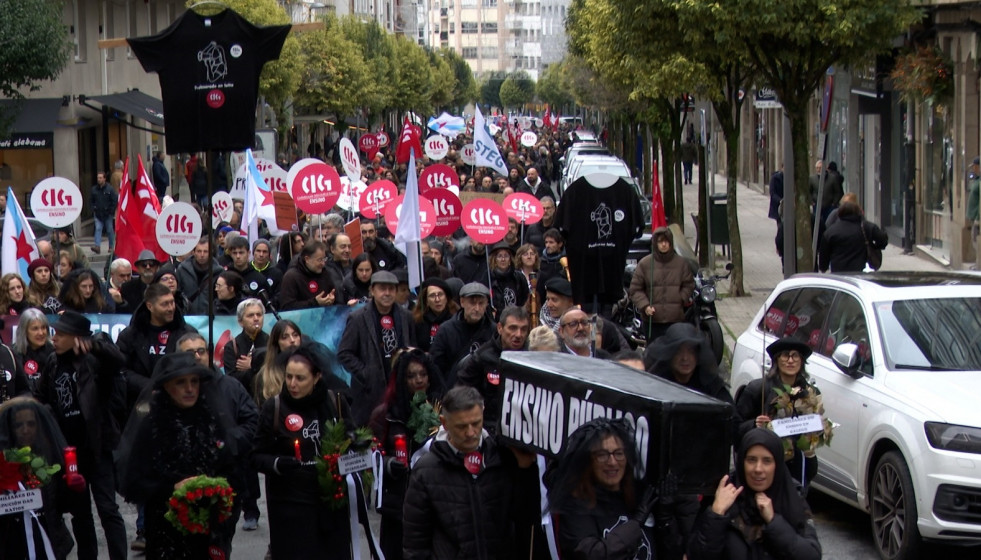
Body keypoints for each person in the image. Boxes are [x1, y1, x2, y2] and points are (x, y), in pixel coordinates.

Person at [116, 352, 239, 560]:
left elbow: (230, 468)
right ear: (167, 386)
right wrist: (171, 487)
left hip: (207, 527)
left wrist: (214, 490)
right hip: (165, 528)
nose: (190, 389)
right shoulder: (151, 425)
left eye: (194, 381)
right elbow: (134, 482)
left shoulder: (212, 420)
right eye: (181, 382)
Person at [35, 311, 129, 560]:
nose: (54, 338)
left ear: (77, 338)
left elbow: (118, 361)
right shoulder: (53, 362)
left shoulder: (94, 361)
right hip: (69, 451)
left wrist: (95, 347)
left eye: (61, 334)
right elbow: (41, 396)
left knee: (108, 509)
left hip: (97, 446)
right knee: (80, 513)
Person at [403, 386, 531, 559]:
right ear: (445, 423)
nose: (470, 433)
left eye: (476, 423)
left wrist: (526, 470)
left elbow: (526, 518)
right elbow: (415, 542)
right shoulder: (426, 471)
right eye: (461, 426)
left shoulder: (501, 459)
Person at [253, 344, 354, 559]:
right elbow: (256, 455)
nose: (292, 384)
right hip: (290, 508)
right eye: (288, 377)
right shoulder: (274, 407)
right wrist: (278, 463)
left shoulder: (335, 402)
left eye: (300, 378)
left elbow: (352, 438)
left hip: (330, 506)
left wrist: (355, 444)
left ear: (316, 377)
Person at [687, 429, 822, 560]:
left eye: (767, 461)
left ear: (777, 465)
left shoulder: (791, 497)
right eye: (751, 460)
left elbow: (811, 555)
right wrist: (716, 514)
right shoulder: (723, 495)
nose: (758, 469)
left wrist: (773, 521)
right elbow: (696, 555)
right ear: (742, 462)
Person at [177, 332, 261, 534]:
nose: (197, 356)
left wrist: (229, 441)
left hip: (227, 480)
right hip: (184, 483)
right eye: (190, 353)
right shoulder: (170, 389)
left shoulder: (230, 386)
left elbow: (252, 421)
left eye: (201, 351)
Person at [544, 418, 657, 560]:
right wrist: (635, 525)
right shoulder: (574, 506)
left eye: (619, 453)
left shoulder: (638, 498)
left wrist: (667, 516)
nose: (612, 462)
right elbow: (590, 555)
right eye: (602, 455)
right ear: (588, 461)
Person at [368, 348, 444, 560]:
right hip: (397, 506)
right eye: (411, 376)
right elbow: (369, 454)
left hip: (432, 505)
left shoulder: (441, 412)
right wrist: (388, 462)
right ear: (402, 379)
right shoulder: (384, 414)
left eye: (423, 374)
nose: (418, 380)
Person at [735, 338, 827, 491]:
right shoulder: (758, 389)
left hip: (797, 467)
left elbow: (816, 430)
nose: (790, 360)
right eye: (785, 355)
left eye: (795, 356)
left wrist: (816, 434)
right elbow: (734, 430)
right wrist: (754, 425)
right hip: (765, 468)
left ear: (801, 361)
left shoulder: (811, 393)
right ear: (777, 359)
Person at [0, 397, 76, 560]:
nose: (25, 430)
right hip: (10, 545)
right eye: (18, 425)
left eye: (31, 424)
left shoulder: (49, 458)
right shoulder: (2, 460)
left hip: (48, 541)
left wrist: (74, 488)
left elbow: (65, 506)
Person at [338, 271, 415, 425]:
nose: (387, 293)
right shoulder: (358, 318)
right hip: (369, 395)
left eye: (391, 289)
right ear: (372, 290)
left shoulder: (405, 316)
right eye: (382, 288)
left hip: (401, 391)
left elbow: (413, 346)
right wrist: (366, 373)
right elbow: (344, 353)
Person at [116, 282, 197, 405]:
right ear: (150, 306)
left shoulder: (187, 333)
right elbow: (121, 369)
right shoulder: (130, 335)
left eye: (172, 302)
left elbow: (197, 366)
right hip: (139, 403)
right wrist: (148, 386)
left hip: (177, 402)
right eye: (165, 304)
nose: (171, 308)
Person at [456, 305, 531, 435]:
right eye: (513, 328)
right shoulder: (482, 357)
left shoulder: (533, 357)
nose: (518, 334)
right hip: (489, 430)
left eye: (523, 329)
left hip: (523, 430)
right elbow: (462, 394)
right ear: (500, 328)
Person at [629, 226, 695, 343]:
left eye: (666, 241)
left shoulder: (681, 263)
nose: (664, 244)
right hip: (653, 320)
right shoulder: (645, 264)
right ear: (655, 243)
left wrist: (680, 298)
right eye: (660, 241)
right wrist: (645, 306)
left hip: (675, 319)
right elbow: (635, 289)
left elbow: (689, 284)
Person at [428, 282, 496, 386]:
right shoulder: (446, 330)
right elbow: (436, 367)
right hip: (455, 390)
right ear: (462, 302)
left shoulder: (493, 331)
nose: (477, 308)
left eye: (481, 303)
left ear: (487, 304)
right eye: (472, 303)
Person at [818, 200, 888, 273]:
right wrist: (874, 246)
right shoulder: (867, 227)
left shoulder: (830, 232)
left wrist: (823, 267)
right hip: (861, 271)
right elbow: (883, 239)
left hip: (838, 273)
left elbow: (823, 257)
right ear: (858, 212)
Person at [253, 319, 302, 407]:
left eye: (295, 335)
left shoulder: (312, 367)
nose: (292, 340)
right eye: (284, 337)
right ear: (276, 344)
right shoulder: (265, 375)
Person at [279, 241, 337, 310]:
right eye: (319, 260)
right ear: (307, 259)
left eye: (324, 259)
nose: (323, 263)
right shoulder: (291, 277)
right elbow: (287, 307)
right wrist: (314, 302)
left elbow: (333, 296)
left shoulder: (325, 273)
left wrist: (331, 298)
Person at [12, 308, 53, 395]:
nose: (41, 333)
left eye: (43, 327)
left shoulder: (54, 352)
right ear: (24, 331)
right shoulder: (13, 354)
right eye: (35, 329)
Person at [412, 277, 457, 352]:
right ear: (426, 300)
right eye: (432, 296)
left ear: (446, 298)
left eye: (440, 294)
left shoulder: (456, 319)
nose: (437, 299)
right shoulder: (418, 321)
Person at [488, 242, 529, 319]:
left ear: (510, 259)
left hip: (516, 318)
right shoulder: (489, 278)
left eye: (506, 256)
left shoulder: (519, 277)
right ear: (495, 259)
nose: (503, 259)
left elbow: (525, 298)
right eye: (499, 256)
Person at [90, 171, 116, 254]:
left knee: (109, 230)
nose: (99, 179)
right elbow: (91, 200)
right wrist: (93, 208)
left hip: (108, 214)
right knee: (98, 229)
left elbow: (114, 200)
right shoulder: (94, 189)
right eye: (98, 178)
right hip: (98, 213)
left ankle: (111, 246)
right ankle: (97, 246)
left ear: (104, 179)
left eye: (101, 178)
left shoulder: (110, 189)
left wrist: (111, 210)